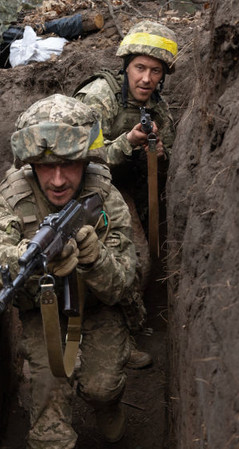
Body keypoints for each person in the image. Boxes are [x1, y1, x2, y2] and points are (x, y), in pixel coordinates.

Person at [0, 94, 137, 449]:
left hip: (98, 308)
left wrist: (95, 259)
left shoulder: (104, 198)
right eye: (46, 167)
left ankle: (107, 403)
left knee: (101, 386)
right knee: (49, 385)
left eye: (69, 165)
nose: (59, 180)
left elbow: (125, 283)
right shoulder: (11, 198)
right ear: (30, 164)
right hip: (42, 311)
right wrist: (27, 259)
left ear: (86, 161)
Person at [73, 20, 179, 369]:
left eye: (155, 71)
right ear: (126, 66)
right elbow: (75, 158)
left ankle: (121, 337)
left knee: (139, 261)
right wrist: (126, 143)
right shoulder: (98, 97)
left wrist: (160, 156)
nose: (147, 79)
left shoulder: (158, 108)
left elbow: (175, 171)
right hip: (76, 189)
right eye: (140, 68)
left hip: (120, 191)